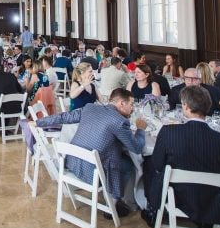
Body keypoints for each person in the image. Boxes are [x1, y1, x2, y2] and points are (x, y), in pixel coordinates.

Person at [32, 88, 146, 217]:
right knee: (129, 165)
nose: (133, 109)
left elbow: (64, 117)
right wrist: (141, 130)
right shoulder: (119, 122)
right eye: (131, 105)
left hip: (71, 163)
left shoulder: (90, 108)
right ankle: (115, 203)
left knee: (117, 156)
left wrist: (38, 122)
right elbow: (136, 147)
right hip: (92, 173)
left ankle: (115, 197)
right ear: (121, 103)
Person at [145, 85, 220, 227]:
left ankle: (152, 210)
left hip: (176, 195)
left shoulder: (168, 132)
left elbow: (157, 164)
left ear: (185, 106)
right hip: (212, 201)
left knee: (149, 164)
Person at [0, 54, 24, 138]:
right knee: (2, 102)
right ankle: (5, 128)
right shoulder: (12, 76)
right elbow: (20, 90)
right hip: (16, 107)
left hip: (2, 109)